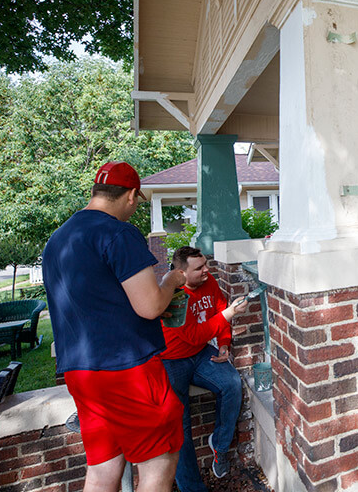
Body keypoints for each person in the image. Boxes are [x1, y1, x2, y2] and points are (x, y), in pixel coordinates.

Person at [42, 161, 186, 492]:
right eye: (137, 203)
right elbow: (150, 306)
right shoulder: (117, 233)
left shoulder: (58, 239)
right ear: (132, 195)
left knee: (103, 468)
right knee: (158, 463)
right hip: (127, 370)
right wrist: (170, 281)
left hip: (81, 373)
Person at [160, 246, 248, 492]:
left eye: (206, 265)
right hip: (171, 360)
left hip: (200, 353)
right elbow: (193, 334)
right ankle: (192, 488)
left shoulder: (209, 283)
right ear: (180, 273)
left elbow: (219, 312)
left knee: (231, 383)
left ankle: (219, 448)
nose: (206, 271)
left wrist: (224, 344)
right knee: (180, 427)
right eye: (199, 268)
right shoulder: (171, 296)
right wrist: (230, 314)